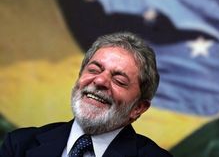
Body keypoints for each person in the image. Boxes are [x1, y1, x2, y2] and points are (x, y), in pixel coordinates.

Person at [0, 32, 173, 157]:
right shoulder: (19, 145)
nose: (99, 81)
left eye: (119, 80)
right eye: (94, 70)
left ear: (138, 108)